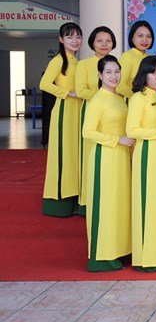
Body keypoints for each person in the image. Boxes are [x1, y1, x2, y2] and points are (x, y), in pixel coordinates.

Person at [83, 55, 132, 271]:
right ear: (100, 75)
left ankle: (117, 250)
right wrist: (116, 140)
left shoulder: (119, 97)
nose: (114, 76)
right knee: (106, 205)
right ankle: (102, 257)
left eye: (117, 71)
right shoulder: (98, 99)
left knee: (118, 204)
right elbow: (88, 131)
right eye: (109, 72)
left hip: (121, 157)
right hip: (105, 156)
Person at [126, 56, 156, 272]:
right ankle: (146, 259)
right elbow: (132, 130)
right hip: (148, 155)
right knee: (148, 204)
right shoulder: (138, 98)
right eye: (153, 73)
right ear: (144, 74)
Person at [40, 22, 83, 217]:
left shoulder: (76, 61)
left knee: (74, 154)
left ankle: (73, 196)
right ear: (61, 39)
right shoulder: (58, 60)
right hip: (65, 110)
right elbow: (44, 84)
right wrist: (67, 93)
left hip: (77, 111)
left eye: (78, 37)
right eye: (69, 36)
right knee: (63, 154)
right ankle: (58, 200)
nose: (74, 40)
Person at [75, 26, 116, 216]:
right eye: (100, 40)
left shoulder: (115, 63)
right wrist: (104, 95)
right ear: (92, 43)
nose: (104, 44)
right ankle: (87, 200)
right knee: (90, 154)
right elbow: (81, 91)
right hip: (93, 109)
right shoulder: (84, 64)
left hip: (113, 111)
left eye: (108, 40)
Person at [117, 21, 154, 99]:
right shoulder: (128, 56)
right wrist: (140, 98)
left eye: (148, 36)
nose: (145, 39)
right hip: (132, 102)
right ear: (132, 38)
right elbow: (119, 86)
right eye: (140, 36)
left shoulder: (151, 58)